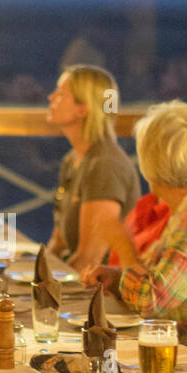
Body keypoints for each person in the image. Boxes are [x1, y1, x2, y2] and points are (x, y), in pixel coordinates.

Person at [81, 101, 187, 359]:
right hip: (179, 355)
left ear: (152, 160)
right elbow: (155, 274)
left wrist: (123, 244)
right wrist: (114, 277)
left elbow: (150, 300)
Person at [46, 65, 140, 271]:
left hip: (102, 293)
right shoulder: (72, 160)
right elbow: (58, 243)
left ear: (83, 109)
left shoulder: (105, 165)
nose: (51, 97)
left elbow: (90, 260)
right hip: (77, 281)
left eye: (60, 94)